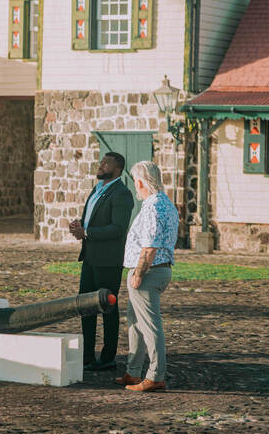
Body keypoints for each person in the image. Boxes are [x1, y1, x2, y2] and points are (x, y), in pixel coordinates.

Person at [115, 160, 178, 392]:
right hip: (160, 269)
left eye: (135, 182)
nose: (135, 186)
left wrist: (138, 274)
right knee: (136, 323)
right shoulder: (167, 203)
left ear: (140, 182)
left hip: (149, 272)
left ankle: (156, 375)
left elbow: (149, 247)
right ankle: (133, 371)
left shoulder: (152, 207)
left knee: (150, 326)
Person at [69, 151, 134, 371]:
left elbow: (118, 228)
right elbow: (95, 219)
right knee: (85, 307)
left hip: (108, 261)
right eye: (101, 161)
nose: (100, 165)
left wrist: (87, 232)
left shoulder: (122, 194)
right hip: (89, 258)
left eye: (106, 163)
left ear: (117, 169)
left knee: (108, 308)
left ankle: (107, 357)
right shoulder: (97, 189)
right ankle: (87, 356)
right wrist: (80, 226)